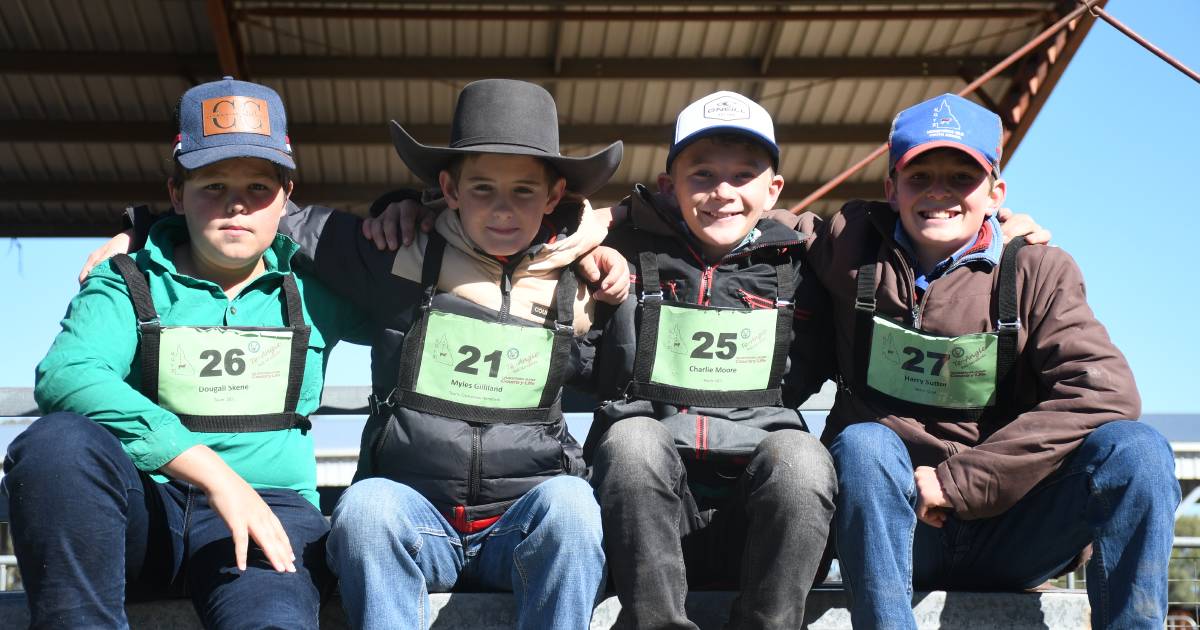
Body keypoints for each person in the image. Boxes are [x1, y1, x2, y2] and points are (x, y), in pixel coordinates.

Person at [3, 77, 372, 628]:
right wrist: (215, 475)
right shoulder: (126, 280)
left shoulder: (319, 286)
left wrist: (402, 213)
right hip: (145, 512)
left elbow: (426, 298)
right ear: (176, 193)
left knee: (269, 619)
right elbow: (68, 374)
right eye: (213, 186)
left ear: (287, 198)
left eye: (257, 189)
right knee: (55, 445)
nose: (236, 206)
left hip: (268, 510)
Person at [801, 93, 1178, 629]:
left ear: (995, 191)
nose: (939, 193)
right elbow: (734, 211)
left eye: (961, 178)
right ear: (890, 189)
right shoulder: (848, 245)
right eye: (919, 176)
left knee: (1139, 451)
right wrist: (635, 225)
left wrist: (958, 483)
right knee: (863, 443)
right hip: (900, 530)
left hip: (1016, 528)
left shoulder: (1037, 270)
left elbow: (1106, 392)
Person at [272, 79, 625, 630]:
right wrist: (146, 230)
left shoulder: (587, 280)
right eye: (482, 188)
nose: (503, 210)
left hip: (522, 528)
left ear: (555, 196)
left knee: (575, 505)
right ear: (449, 188)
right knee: (367, 508)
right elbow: (274, 218)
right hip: (416, 523)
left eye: (524, 192)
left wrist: (610, 247)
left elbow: (685, 238)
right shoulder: (394, 251)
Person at [582, 91, 836, 629]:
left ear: (774, 191)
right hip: (643, 520)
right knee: (629, 440)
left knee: (802, 456)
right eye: (701, 175)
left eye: (744, 176)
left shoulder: (809, 264)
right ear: (668, 186)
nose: (723, 192)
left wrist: (1001, 224)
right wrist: (407, 206)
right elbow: (507, 221)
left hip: (758, 521)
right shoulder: (618, 254)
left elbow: (889, 234)